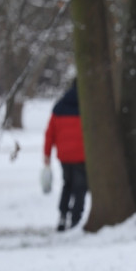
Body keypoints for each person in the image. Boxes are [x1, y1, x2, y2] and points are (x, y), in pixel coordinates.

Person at [44, 82, 88, 231]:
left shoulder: (59, 107)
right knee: (80, 188)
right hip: (81, 154)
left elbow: (50, 134)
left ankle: (63, 216)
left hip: (64, 155)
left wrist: (47, 154)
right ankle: (76, 219)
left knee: (67, 185)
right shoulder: (86, 106)